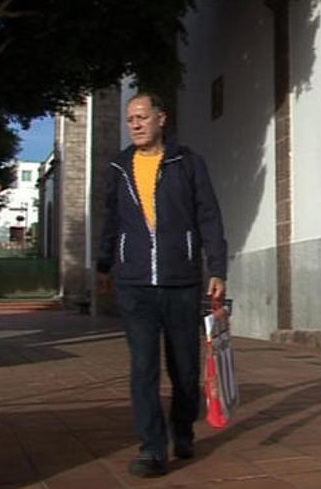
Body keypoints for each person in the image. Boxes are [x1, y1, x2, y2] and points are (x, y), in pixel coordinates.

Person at [96, 92, 227, 477]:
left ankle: (182, 427)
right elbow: (112, 220)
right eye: (130, 119)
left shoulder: (187, 163)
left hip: (181, 282)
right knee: (143, 368)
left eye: (141, 117)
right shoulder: (119, 166)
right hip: (134, 283)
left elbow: (209, 217)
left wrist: (216, 268)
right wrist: (104, 265)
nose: (134, 124)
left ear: (161, 118)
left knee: (185, 368)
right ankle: (152, 449)